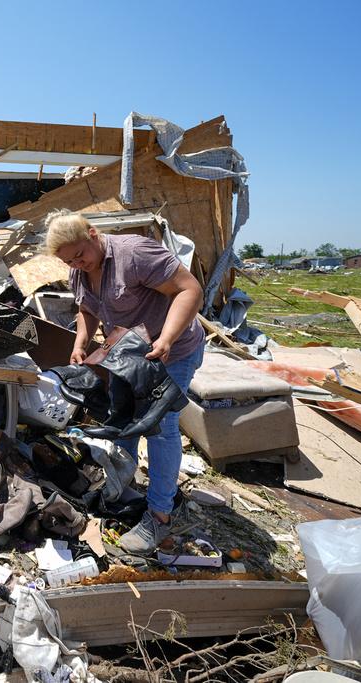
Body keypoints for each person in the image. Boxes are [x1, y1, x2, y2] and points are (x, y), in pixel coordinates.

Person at [43, 209, 205, 554]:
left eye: (80, 254)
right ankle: (124, 485)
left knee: (162, 426)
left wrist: (168, 339)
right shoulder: (80, 271)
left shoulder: (135, 253)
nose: (78, 263)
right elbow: (87, 309)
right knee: (123, 420)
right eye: (69, 261)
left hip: (171, 350)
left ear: (92, 233)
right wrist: (79, 344)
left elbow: (190, 290)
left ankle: (161, 515)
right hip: (128, 353)